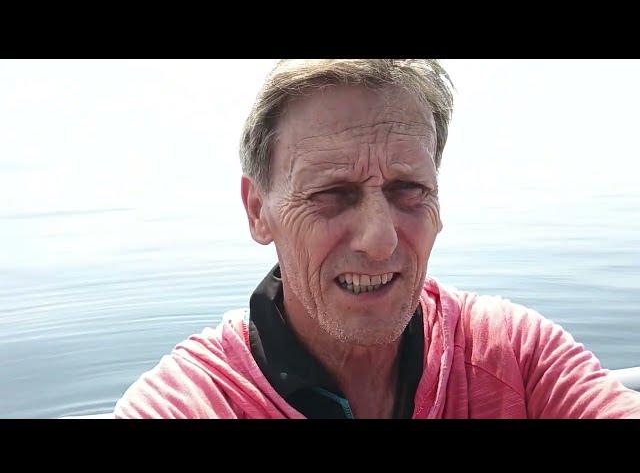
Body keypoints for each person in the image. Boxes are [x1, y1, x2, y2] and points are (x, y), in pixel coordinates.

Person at [114, 59, 640, 419]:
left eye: (408, 189)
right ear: (258, 211)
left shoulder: (514, 355)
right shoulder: (194, 401)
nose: (380, 240)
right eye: (332, 194)